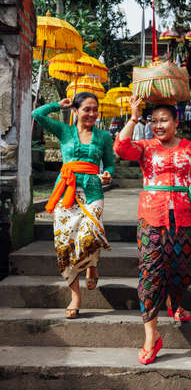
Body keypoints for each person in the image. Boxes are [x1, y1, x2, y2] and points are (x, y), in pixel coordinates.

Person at [114, 96, 191, 365]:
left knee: (187, 266)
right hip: (151, 216)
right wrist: (134, 116)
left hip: (186, 216)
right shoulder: (145, 147)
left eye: (164, 120)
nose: (158, 125)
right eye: (154, 121)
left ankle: (175, 300)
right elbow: (120, 148)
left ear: (176, 122)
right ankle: (152, 335)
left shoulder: (190, 148)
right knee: (150, 271)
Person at [32, 92, 114, 318]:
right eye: (87, 109)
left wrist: (107, 174)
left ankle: (92, 263)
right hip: (66, 192)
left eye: (95, 109)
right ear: (75, 111)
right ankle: (75, 296)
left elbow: (110, 164)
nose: (92, 114)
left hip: (93, 192)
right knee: (65, 245)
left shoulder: (104, 136)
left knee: (89, 235)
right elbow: (36, 114)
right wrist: (58, 105)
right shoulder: (64, 131)